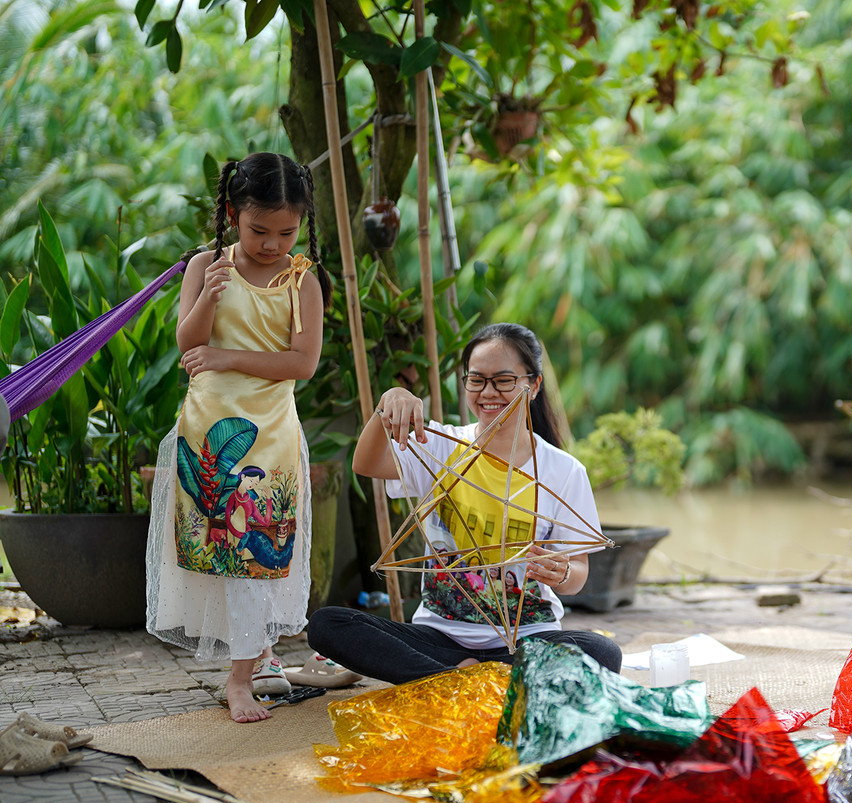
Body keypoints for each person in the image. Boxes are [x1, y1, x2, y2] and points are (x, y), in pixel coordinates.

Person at [306, 322, 622, 682]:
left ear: (533, 385)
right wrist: (387, 404)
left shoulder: (563, 470)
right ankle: (471, 679)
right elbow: (365, 464)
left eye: (503, 380)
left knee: (603, 652)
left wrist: (563, 572)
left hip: (526, 641)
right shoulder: (439, 445)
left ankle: (451, 681)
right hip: (438, 638)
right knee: (327, 624)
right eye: (477, 380)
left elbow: (578, 573)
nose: (489, 392)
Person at [146, 152, 328, 723]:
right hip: (208, 430)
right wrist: (207, 297)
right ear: (231, 213)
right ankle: (256, 656)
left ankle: (239, 679)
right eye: (258, 230)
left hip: (269, 433)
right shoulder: (206, 265)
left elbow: (302, 363)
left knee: (258, 551)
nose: (272, 244)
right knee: (216, 548)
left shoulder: (301, 281)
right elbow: (187, 341)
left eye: (286, 232)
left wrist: (225, 355)